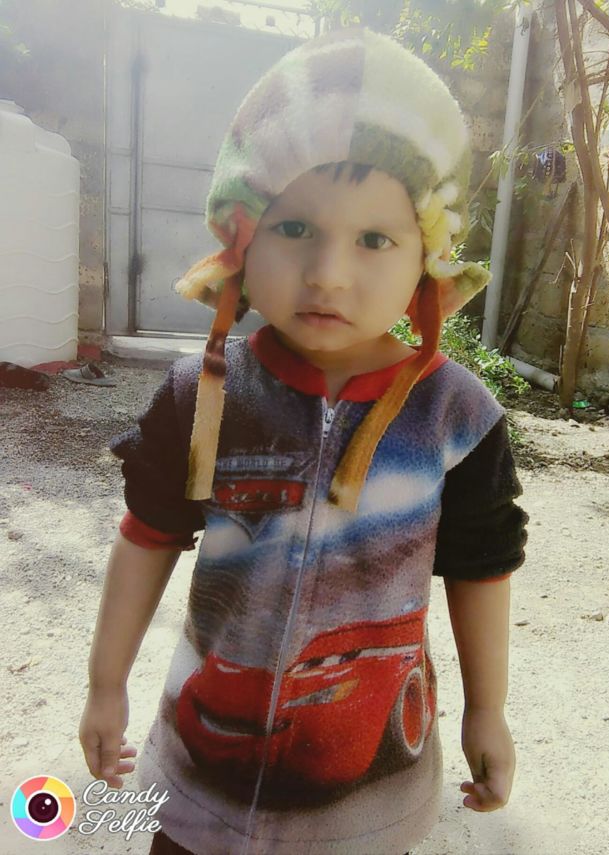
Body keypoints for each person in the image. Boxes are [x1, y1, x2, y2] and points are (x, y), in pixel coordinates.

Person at [79, 25, 527, 855]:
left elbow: (481, 565)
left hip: (365, 803)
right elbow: (147, 536)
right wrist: (106, 684)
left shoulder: (457, 419)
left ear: (428, 257)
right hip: (197, 789)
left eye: (374, 239)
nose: (327, 271)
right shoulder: (201, 394)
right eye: (293, 228)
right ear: (241, 236)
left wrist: (487, 709)